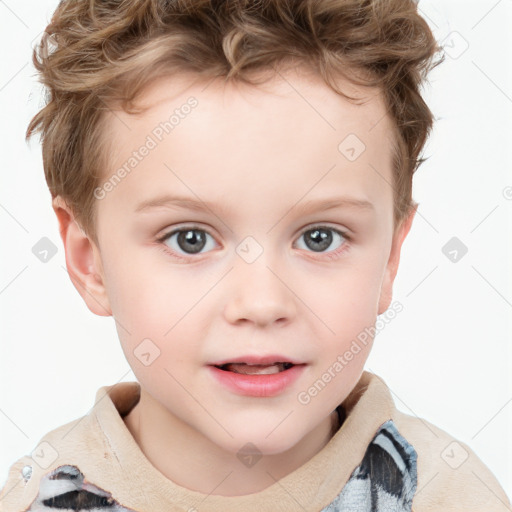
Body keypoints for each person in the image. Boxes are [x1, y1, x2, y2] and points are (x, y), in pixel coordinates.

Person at [1, 0, 510, 510]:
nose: (262, 303)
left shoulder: (454, 494)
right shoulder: (36, 499)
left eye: (320, 237)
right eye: (190, 239)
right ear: (90, 262)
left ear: (391, 260)